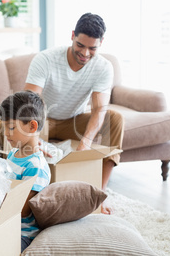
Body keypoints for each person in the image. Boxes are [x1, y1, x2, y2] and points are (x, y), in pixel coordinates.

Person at [24, 13, 124, 214]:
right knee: (20, 126)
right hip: (44, 119)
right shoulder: (46, 59)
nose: (85, 53)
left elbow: (98, 109)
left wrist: (85, 142)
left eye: (92, 48)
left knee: (115, 119)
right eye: (80, 45)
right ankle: (33, 195)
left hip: (74, 121)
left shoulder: (103, 67)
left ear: (101, 43)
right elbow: (29, 102)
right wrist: (33, 137)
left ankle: (98, 194)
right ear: (72, 36)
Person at [0, 90, 51, 253]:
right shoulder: (14, 153)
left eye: (11, 127)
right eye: (4, 127)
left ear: (32, 126)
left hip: (21, 234)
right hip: (4, 222)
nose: (6, 133)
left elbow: (22, 209)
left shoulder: (35, 166)